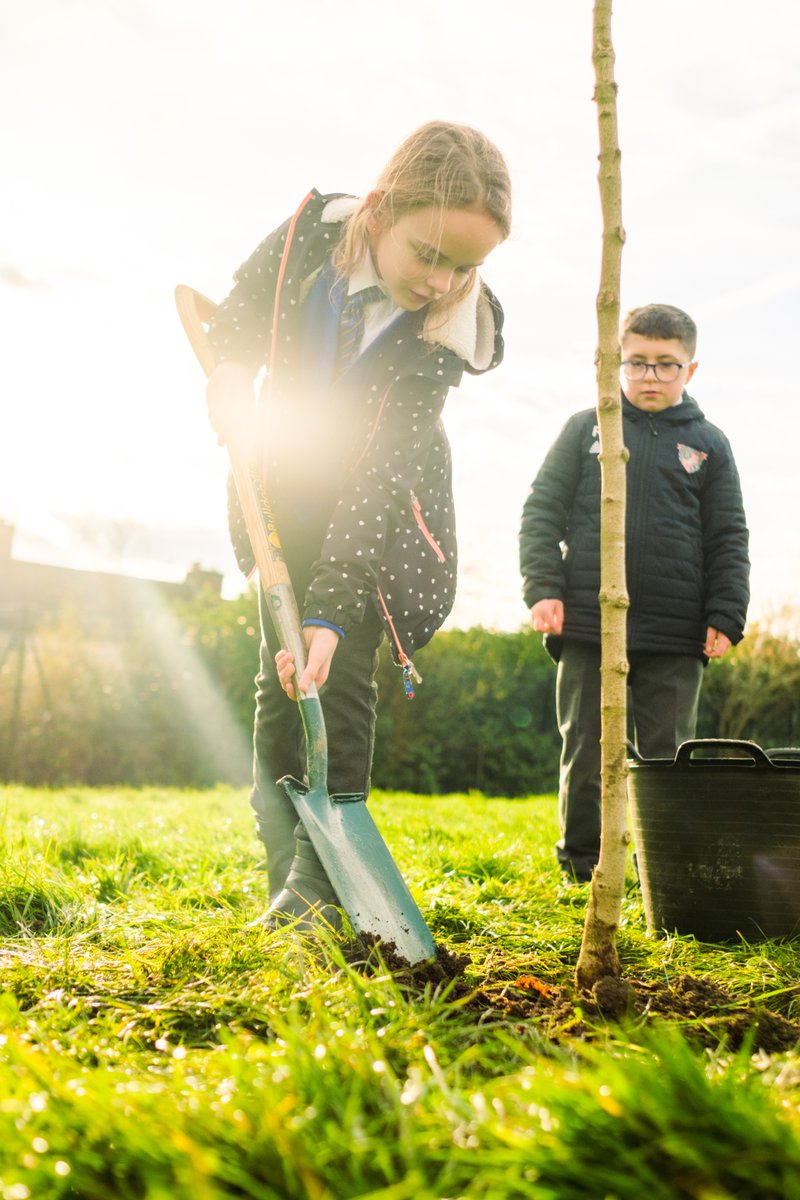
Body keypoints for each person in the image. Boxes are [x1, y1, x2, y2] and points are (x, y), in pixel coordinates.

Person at [205, 121, 511, 927]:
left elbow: (382, 472)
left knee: (333, 679)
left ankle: (323, 887)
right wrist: (232, 373)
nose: (445, 282)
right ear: (378, 212)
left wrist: (335, 608)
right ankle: (288, 885)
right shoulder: (313, 234)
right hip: (280, 491)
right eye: (431, 254)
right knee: (279, 690)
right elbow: (236, 313)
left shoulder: (442, 337)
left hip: (376, 522)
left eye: (467, 267)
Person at [519, 303, 750, 883]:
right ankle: (582, 868)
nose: (651, 376)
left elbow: (728, 536)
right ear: (613, 363)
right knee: (588, 751)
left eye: (666, 365)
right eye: (638, 362)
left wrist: (726, 612)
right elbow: (541, 512)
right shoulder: (585, 428)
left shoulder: (709, 445)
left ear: (690, 371)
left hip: (676, 630)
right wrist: (543, 587)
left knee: (668, 757)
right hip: (588, 622)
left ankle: (662, 871)